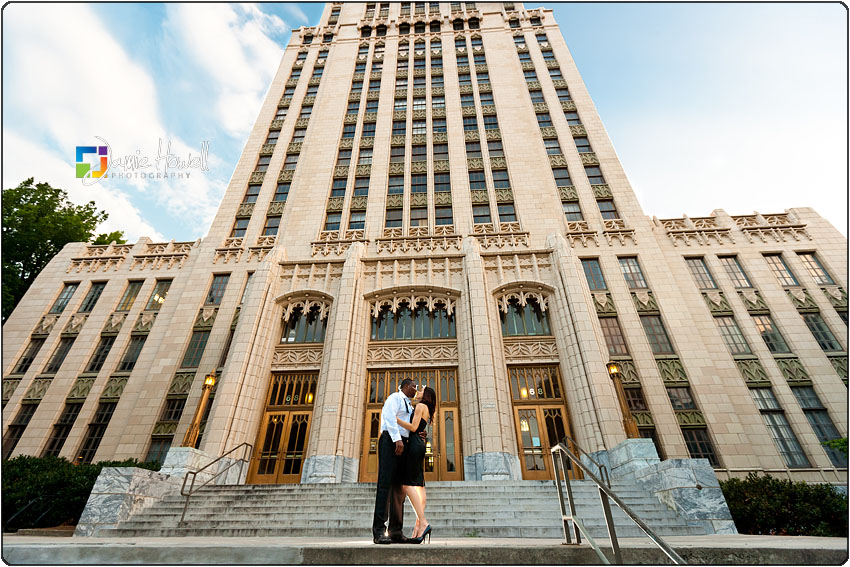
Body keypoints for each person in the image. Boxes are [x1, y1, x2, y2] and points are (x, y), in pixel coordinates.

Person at [372, 378, 418, 544]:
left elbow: (409, 425)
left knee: (399, 488)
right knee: (385, 484)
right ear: (405, 386)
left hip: (403, 444)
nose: (416, 389)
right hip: (390, 442)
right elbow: (389, 417)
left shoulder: (410, 406)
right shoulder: (394, 398)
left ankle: (396, 531)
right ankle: (379, 531)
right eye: (414, 386)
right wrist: (397, 439)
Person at [396, 385, 437, 544]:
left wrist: (395, 419)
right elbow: (419, 427)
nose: (418, 391)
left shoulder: (420, 406)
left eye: (421, 390)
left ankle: (423, 522)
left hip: (414, 444)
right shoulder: (426, 408)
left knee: (406, 485)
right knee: (419, 485)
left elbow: (413, 427)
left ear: (425, 395)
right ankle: (418, 527)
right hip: (420, 444)